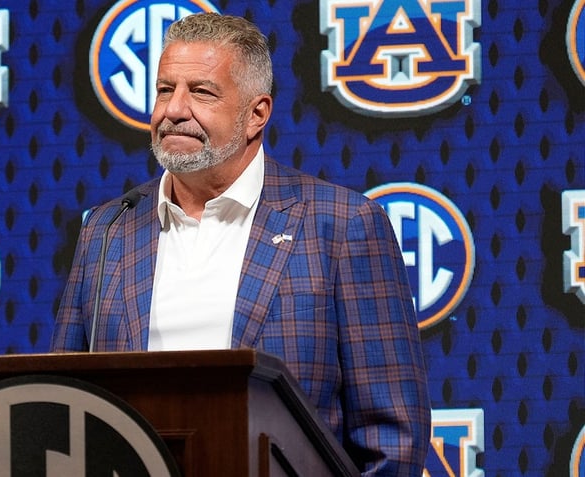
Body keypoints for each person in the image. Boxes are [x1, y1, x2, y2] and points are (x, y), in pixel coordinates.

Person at [51, 12, 430, 476]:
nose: (173, 110)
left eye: (202, 92)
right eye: (165, 90)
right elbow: (62, 403)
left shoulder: (341, 225)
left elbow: (392, 440)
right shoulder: (108, 230)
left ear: (257, 114)